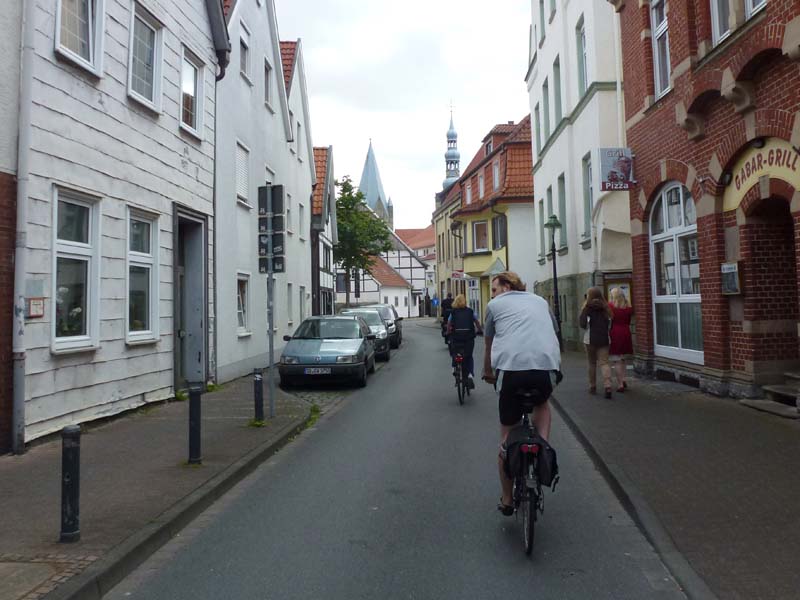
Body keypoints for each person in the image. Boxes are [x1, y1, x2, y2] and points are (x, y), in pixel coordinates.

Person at [481, 271, 561, 516]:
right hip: (545, 368)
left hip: (511, 372)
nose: (492, 294)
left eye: (494, 289)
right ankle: (543, 445)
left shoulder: (494, 307)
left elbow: (488, 343)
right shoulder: (541, 302)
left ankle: (507, 499)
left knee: (507, 435)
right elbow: (554, 332)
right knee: (542, 403)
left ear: (506, 286)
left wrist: (487, 371)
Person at [579, 287, 614, 399]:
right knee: (604, 363)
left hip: (590, 339)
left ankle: (592, 386)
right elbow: (611, 323)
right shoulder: (606, 308)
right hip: (604, 338)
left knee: (592, 363)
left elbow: (583, 324)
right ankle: (608, 386)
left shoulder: (587, 308)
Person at [447, 294, 482, 388]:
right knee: (469, 356)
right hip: (468, 338)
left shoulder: (453, 312)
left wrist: (448, 332)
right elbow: (477, 322)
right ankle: (470, 374)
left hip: (456, 338)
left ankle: (454, 368)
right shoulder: (470, 311)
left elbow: (449, 323)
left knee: (454, 352)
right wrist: (479, 330)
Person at [608, 287, 633, 392]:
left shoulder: (611, 307)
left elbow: (609, 320)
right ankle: (623, 379)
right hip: (626, 331)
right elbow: (628, 320)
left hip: (615, 332)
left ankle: (620, 384)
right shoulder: (628, 307)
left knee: (616, 360)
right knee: (623, 359)